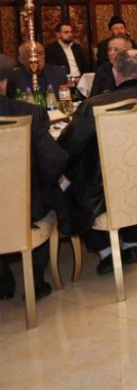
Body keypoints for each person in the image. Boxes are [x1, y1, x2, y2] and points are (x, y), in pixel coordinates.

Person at [58, 49, 137, 274]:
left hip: (104, 190)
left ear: (115, 73)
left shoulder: (96, 105)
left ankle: (106, 252)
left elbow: (68, 147)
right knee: (132, 171)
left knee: (66, 182)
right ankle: (131, 245)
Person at [0, 54, 68, 301]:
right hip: (25, 208)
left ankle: (3, 278)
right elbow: (54, 161)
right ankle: (36, 278)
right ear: (4, 83)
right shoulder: (29, 113)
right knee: (46, 195)